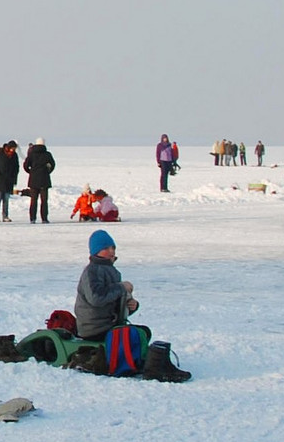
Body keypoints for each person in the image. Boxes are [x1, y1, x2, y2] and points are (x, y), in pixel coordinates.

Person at [71, 229, 190, 382]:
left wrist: (130, 305)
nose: (111, 251)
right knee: (133, 334)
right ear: (96, 251)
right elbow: (96, 298)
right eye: (106, 248)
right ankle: (140, 365)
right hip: (94, 326)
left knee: (143, 332)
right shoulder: (92, 272)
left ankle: (150, 363)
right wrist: (121, 287)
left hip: (109, 323)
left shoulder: (112, 271)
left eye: (113, 247)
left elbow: (115, 302)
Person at [22, 139, 56, 223]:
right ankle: (44, 218)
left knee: (33, 201)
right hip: (44, 180)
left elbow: (25, 165)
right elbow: (53, 165)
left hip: (33, 181)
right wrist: (48, 172)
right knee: (44, 201)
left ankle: (32, 218)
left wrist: (31, 172)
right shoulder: (47, 154)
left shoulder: (31, 154)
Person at [0, 140, 21, 222]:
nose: (13, 150)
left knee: (6, 200)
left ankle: (5, 216)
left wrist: (14, 178)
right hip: (0, 180)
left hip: (9, 181)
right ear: (9, 147)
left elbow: (16, 167)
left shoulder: (14, 156)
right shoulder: (0, 153)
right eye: (12, 149)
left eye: (14, 149)